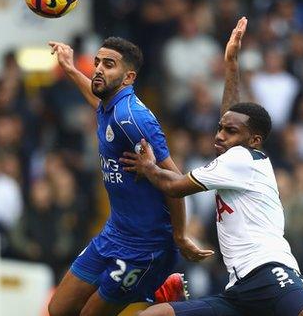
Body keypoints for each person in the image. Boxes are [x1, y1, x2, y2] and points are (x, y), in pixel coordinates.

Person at [121, 17, 303, 316]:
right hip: (239, 289)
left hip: (269, 269)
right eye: (219, 128)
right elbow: (232, 114)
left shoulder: (240, 159)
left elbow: (175, 188)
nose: (219, 135)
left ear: (253, 140)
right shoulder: (239, 156)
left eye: (229, 132)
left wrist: (149, 167)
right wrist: (231, 64)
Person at [47, 35, 214, 316]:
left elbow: (174, 178)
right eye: (97, 62)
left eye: (108, 65)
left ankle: (156, 287)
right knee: (58, 309)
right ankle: (156, 289)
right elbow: (95, 100)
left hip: (145, 246)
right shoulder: (108, 104)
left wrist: (181, 235)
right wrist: (71, 67)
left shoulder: (134, 118)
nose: (99, 69)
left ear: (128, 77)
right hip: (115, 232)